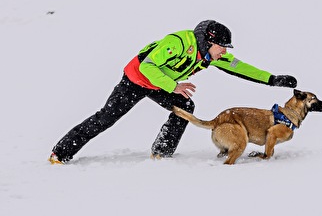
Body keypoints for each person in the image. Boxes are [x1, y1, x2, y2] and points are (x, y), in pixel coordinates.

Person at [49, 20, 297, 164]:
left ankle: (161, 152)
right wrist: (174, 86)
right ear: (208, 42)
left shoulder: (209, 55)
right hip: (136, 80)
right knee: (106, 118)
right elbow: (147, 66)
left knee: (185, 108)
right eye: (222, 47)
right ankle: (60, 153)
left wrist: (272, 79)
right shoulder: (178, 42)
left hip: (161, 84)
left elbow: (239, 67)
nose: (224, 52)